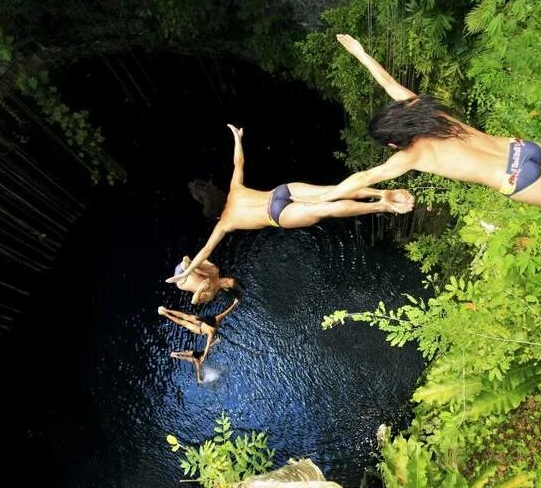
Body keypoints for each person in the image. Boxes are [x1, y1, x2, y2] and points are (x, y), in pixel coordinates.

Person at [295, 34, 541, 232]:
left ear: (393, 142)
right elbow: (390, 84)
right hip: (520, 149)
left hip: (515, 177)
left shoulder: (411, 155)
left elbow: (363, 177)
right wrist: (360, 52)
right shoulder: (425, 111)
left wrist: (322, 200)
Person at [168, 124, 415, 283]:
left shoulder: (224, 225)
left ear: (211, 213)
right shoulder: (234, 190)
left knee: (327, 209)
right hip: (281, 191)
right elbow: (238, 163)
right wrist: (237, 138)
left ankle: (383, 206)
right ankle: (383, 192)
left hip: (277, 214)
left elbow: (206, 252)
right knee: (333, 190)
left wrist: (187, 273)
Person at [158, 298, 239, 384]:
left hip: (200, 320)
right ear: (214, 323)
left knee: (185, 316)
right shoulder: (214, 326)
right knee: (182, 322)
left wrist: (234, 303)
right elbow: (208, 344)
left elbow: (226, 312)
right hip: (198, 329)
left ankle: (165, 310)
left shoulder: (215, 319)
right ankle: (165, 313)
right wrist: (204, 356)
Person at [165, 255, 238, 305]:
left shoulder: (210, 294)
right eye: (228, 280)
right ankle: (188, 265)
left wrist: (200, 289)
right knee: (213, 270)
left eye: (228, 283)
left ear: (226, 289)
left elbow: (194, 301)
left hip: (181, 281)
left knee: (207, 274)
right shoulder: (216, 274)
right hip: (186, 269)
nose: (227, 281)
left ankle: (187, 268)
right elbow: (205, 261)